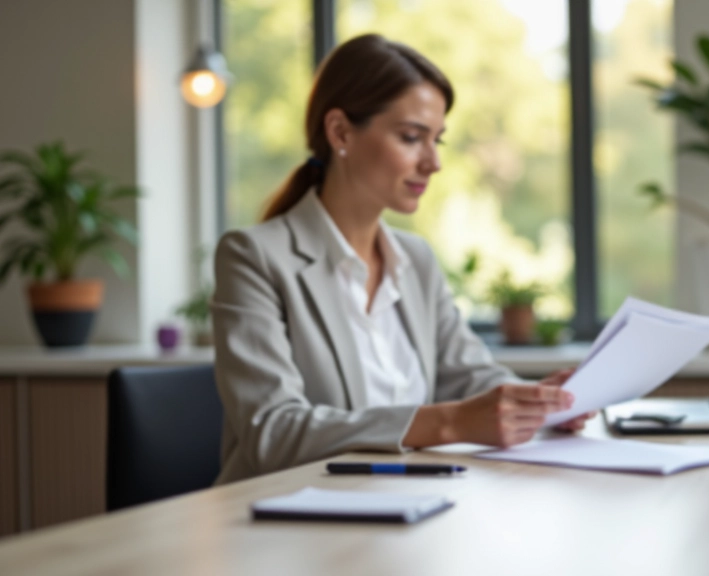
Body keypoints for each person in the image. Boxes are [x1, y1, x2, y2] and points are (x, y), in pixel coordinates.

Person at [212, 33, 592, 485]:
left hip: (403, 503)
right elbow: (273, 432)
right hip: (288, 522)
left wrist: (538, 403)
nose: (433, 162)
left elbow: (470, 376)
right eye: (412, 137)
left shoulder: (415, 259)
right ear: (340, 132)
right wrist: (448, 423)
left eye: (437, 141)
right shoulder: (254, 256)